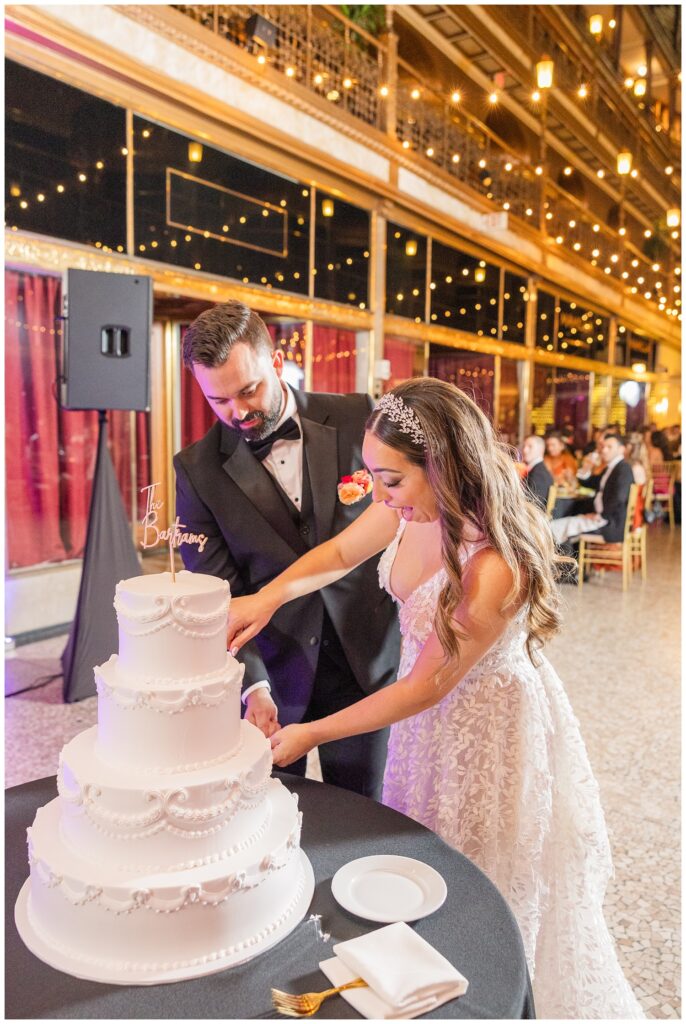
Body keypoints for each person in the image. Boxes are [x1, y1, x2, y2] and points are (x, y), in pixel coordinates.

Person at [227, 379, 643, 1019]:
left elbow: (426, 684)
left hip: (487, 731)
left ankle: (495, 998)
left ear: (444, 467)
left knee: (482, 885)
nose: (380, 495)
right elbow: (340, 550)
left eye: (390, 479)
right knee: (422, 865)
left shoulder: (496, 563)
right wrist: (266, 597)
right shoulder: (402, 506)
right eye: (373, 476)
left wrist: (311, 733)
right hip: (423, 728)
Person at [174, 301, 400, 799]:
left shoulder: (356, 416)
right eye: (219, 401)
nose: (239, 411)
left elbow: (403, 519)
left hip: (365, 660)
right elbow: (218, 594)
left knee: (365, 812)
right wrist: (252, 685)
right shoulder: (197, 470)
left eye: (249, 389)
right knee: (276, 822)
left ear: (276, 363)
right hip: (276, 674)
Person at [550, 433, 635, 548]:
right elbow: (590, 483)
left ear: (621, 449)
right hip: (602, 518)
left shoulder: (623, 469)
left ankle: (567, 564)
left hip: (610, 524)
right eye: (603, 446)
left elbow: (619, 498)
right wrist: (586, 467)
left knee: (556, 527)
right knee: (560, 524)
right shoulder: (611, 468)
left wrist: (600, 516)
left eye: (609, 447)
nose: (604, 450)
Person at [521, 434, 554, 510]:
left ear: (541, 450)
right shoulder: (537, 470)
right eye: (524, 446)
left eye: (530, 447)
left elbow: (532, 504)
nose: (525, 450)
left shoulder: (539, 474)